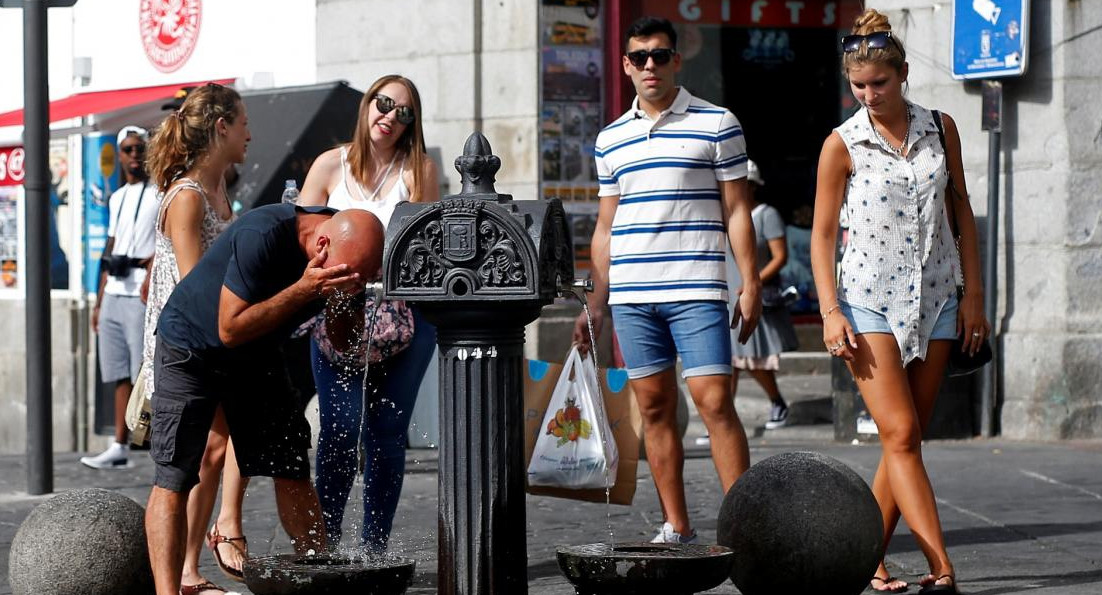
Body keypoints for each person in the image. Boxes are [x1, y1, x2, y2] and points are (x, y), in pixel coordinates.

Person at [810, 9, 988, 594]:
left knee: (901, 439)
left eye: (879, 84)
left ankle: (868, 559)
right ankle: (942, 567)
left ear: (903, 73)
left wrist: (974, 299)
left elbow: (960, 210)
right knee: (903, 434)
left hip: (937, 299)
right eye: (858, 86)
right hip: (867, 302)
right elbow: (821, 236)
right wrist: (830, 311)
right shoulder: (842, 143)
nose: (868, 95)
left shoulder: (942, 126)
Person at [572, 16, 762, 545]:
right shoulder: (610, 139)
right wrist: (595, 304)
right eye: (639, 57)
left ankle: (746, 526)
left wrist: (750, 282)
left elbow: (738, 211)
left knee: (713, 401)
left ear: (677, 60)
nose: (649, 65)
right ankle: (676, 524)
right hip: (633, 295)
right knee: (654, 409)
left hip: (697, 288)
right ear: (626, 65)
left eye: (660, 55)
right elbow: (606, 227)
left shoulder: (717, 122)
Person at [145, 203, 384, 595]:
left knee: (289, 462)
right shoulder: (264, 234)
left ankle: (315, 576)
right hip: (191, 346)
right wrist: (304, 289)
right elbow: (229, 328)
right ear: (322, 243)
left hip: (256, 350)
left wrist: (343, 300)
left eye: (362, 280)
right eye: (347, 277)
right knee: (175, 473)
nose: (352, 283)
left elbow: (344, 341)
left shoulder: (350, 253)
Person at [298, 74, 439, 551]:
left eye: (404, 112)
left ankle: (375, 546)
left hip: (403, 315)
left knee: (387, 431)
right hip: (338, 310)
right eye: (384, 104)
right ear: (366, 106)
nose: (391, 117)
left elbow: (427, 247)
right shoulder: (328, 166)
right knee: (339, 430)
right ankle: (327, 541)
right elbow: (301, 235)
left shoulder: (418, 169)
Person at [143, 83, 249, 595]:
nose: (250, 133)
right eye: (243, 123)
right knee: (180, 464)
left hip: (214, 338)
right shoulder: (185, 197)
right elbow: (191, 287)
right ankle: (178, 574)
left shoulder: (221, 190)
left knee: (217, 446)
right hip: (183, 345)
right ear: (221, 127)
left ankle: (189, 567)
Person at [81, 125, 159, 470]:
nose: (133, 155)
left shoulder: (159, 193)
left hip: (140, 292)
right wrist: (98, 302)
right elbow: (110, 247)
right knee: (117, 373)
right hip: (114, 292)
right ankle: (119, 444)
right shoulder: (116, 198)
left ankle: (156, 441)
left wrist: (147, 263)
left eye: (138, 148)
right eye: (127, 149)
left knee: (146, 370)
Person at [728, 160, 799, 430]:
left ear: (751, 186)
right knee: (730, 361)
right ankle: (724, 418)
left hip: (753, 293)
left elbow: (780, 257)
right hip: (729, 294)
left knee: (750, 358)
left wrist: (753, 282)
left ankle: (777, 401)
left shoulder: (765, 215)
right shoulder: (724, 214)